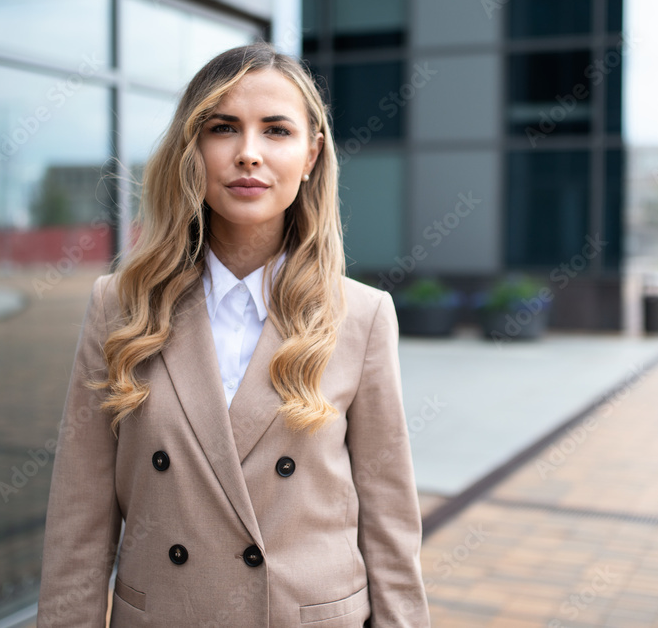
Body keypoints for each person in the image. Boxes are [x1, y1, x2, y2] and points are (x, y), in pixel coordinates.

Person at [37, 42, 429, 627]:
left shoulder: (363, 316)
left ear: (311, 154)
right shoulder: (120, 306)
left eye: (276, 131)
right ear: (192, 149)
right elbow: (79, 519)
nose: (249, 154)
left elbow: (390, 522)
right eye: (223, 129)